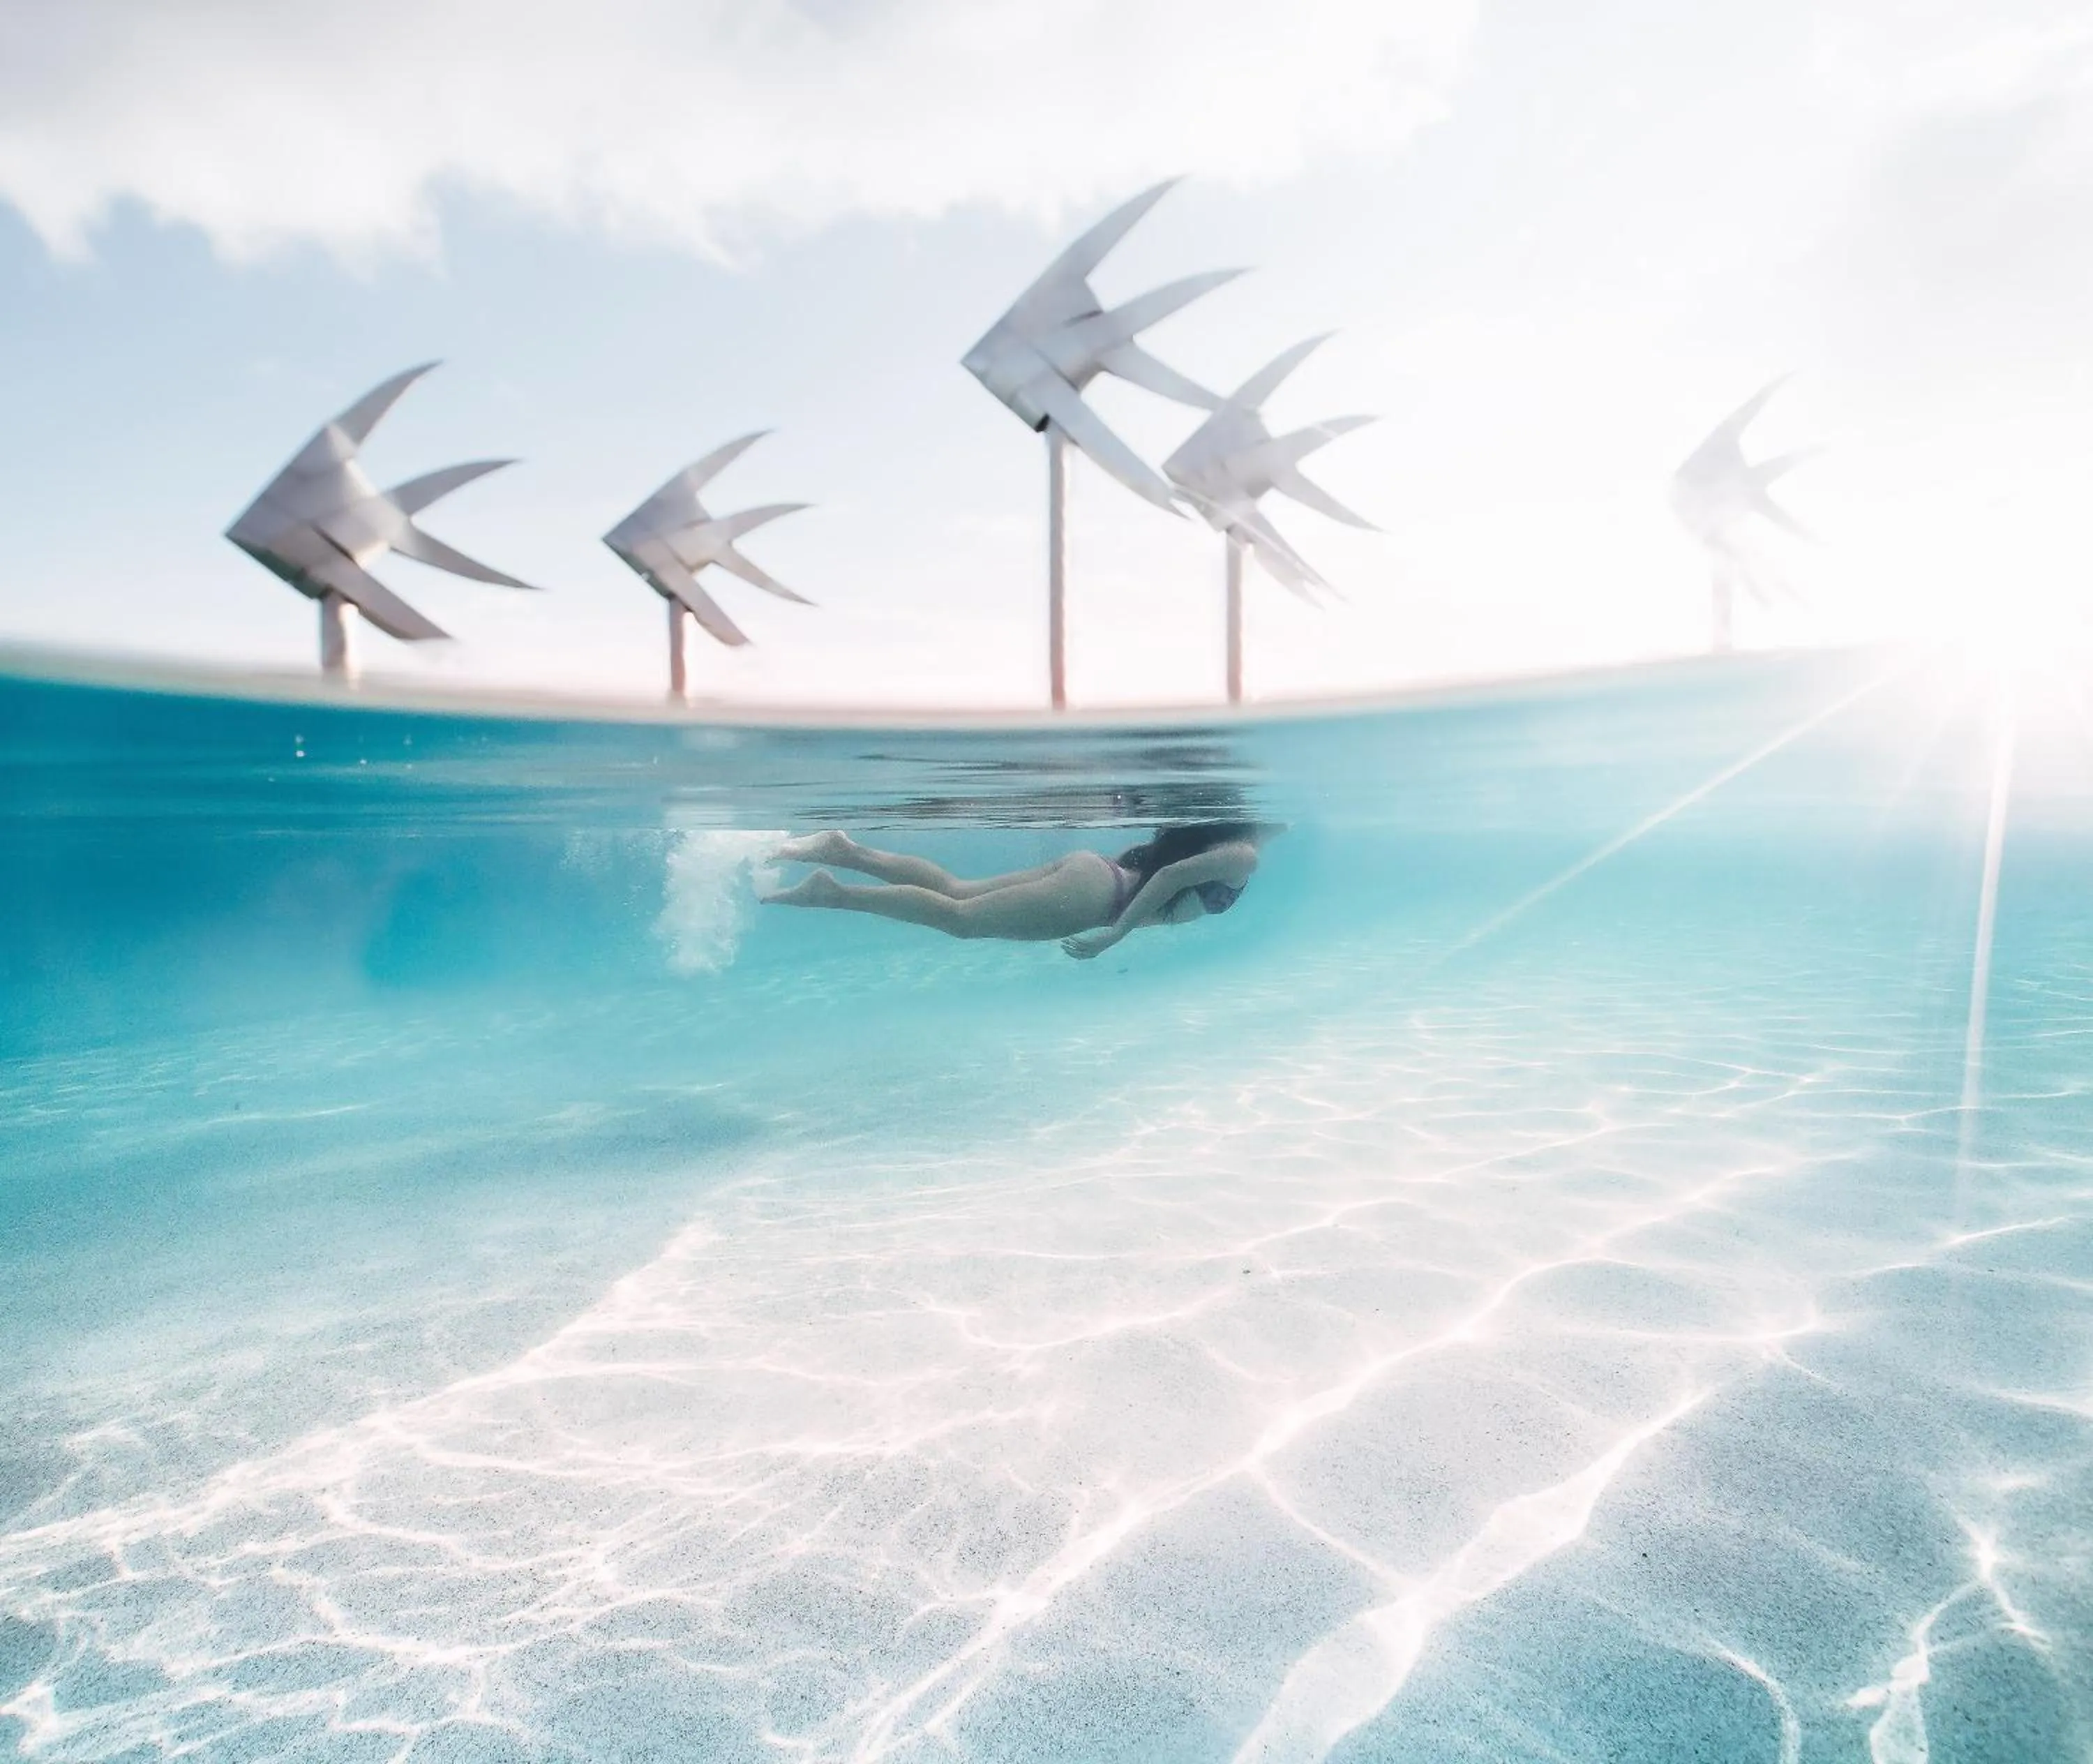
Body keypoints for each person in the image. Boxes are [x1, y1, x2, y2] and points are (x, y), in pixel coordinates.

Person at [762, 823, 1263, 958]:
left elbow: (1157, 867)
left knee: (957, 891)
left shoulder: (1209, 838)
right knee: (960, 919)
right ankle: (833, 893)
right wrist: (1116, 936)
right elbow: (1169, 879)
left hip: (1095, 874)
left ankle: (844, 852)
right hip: (1099, 900)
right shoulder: (1243, 854)